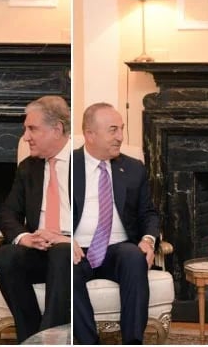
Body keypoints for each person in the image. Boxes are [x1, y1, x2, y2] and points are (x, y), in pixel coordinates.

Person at [73, 102, 160, 344]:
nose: (120, 137)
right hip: (77, 250)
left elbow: (149, 213)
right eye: (113, 130)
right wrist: (64, 239)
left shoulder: (133, 168)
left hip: (118, 249)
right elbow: (50, 214)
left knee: (134, 256)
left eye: (121, 129)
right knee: (64, 266)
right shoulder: (67, 166)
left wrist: (148, 240)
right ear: (90, 134)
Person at [0, 95, 71, 343]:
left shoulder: (85, 162)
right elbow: (7, 213)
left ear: (57, 129)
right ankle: (32, 338)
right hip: (40, 248)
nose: (26, 137)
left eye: (32, 128)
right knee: (5, 255)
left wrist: (64, 239)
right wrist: (25, 237)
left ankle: (49, 341)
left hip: (78, 250)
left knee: (62, 252)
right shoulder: (28, 167)